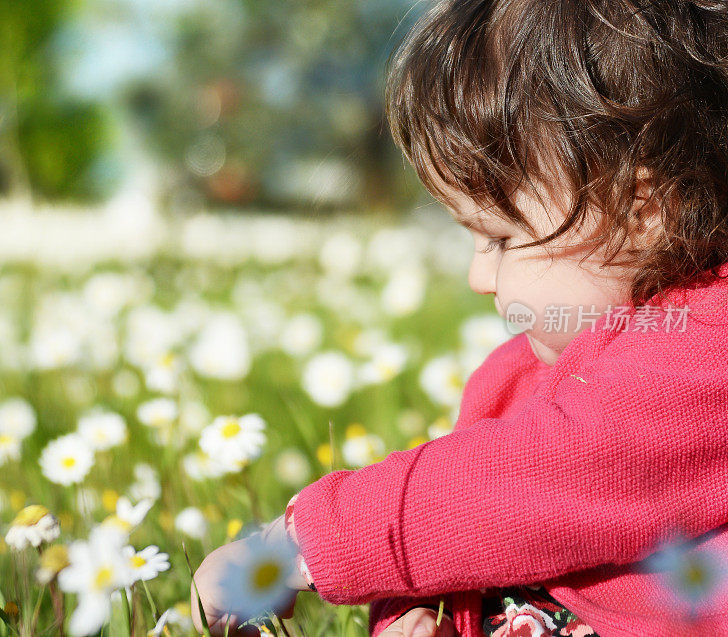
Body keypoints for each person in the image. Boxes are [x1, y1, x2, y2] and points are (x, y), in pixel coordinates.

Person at [191, 0, 728, 635]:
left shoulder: (704, 356)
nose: (479, 278)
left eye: (500, 239)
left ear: (644, 210)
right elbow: (464, 528)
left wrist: (298, 545)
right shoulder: (524, 373)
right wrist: (415, 608)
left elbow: (529, 484)